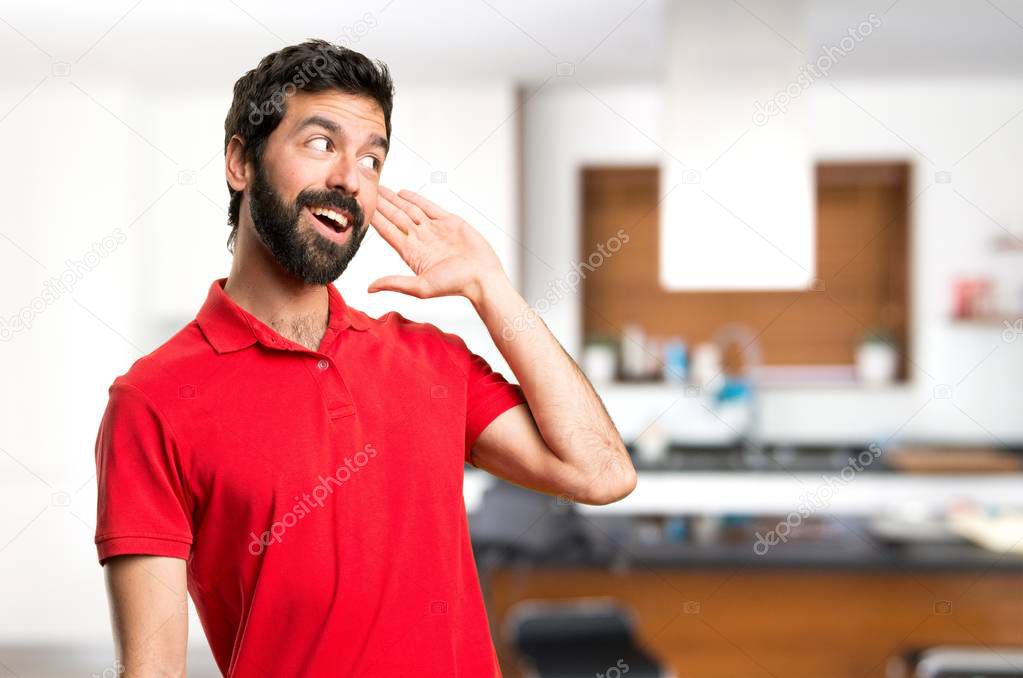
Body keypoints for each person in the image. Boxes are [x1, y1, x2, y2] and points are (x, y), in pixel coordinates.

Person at [93, 39, 636, 677]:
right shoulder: (154, 401)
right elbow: (152, 669)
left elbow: (602, 473)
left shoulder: (430, 360)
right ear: (240, 161)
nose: (351, 177)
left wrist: (492, 289)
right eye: (321, 143)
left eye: (372, 157)